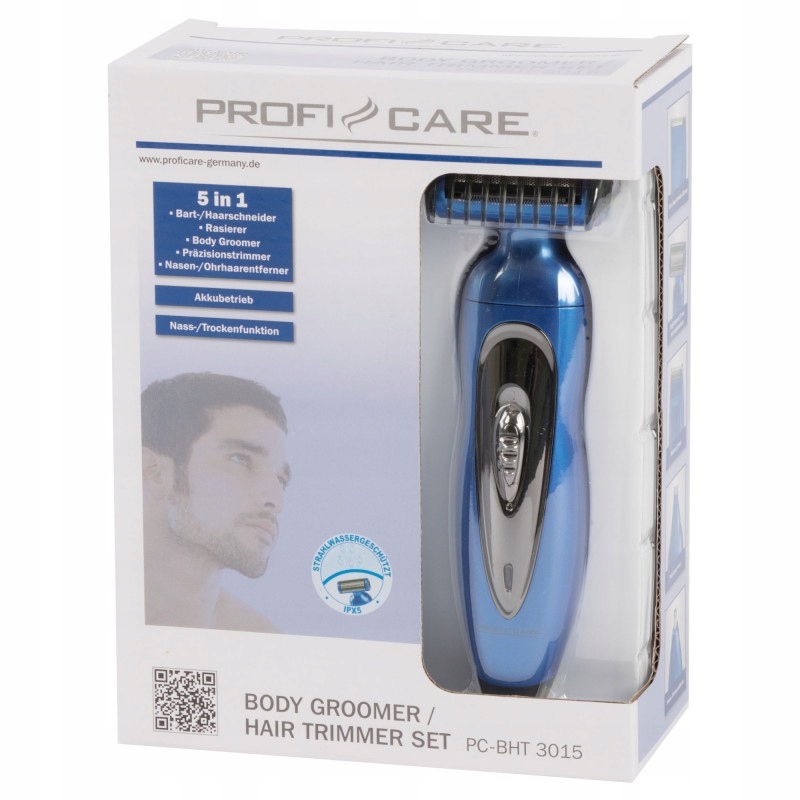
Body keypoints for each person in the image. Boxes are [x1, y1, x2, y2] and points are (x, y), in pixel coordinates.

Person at [140, 372, 290, 632]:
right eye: (241, 459)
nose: (275, 501)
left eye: (281, 479)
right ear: (153, 472)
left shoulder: (262, 641)